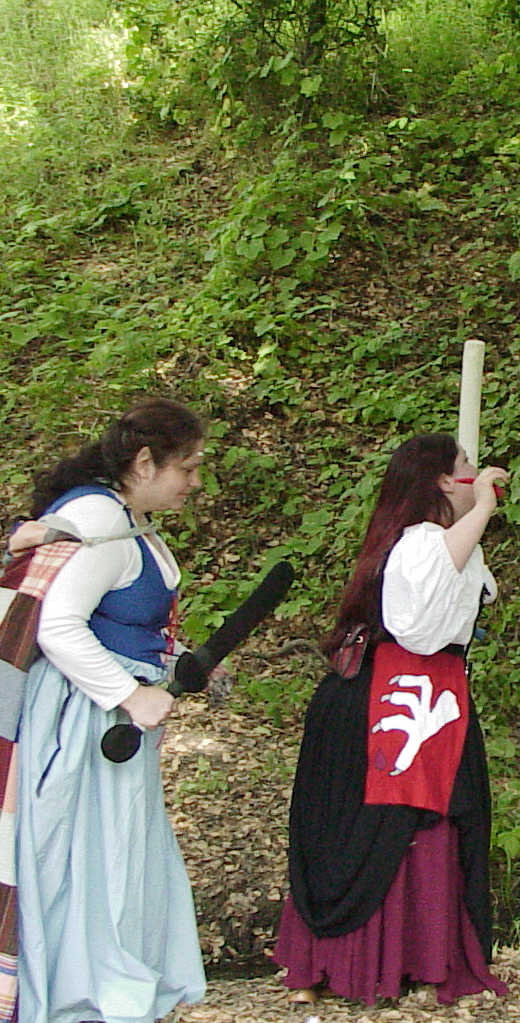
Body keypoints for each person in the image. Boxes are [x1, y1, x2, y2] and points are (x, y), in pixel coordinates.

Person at [274, 434, 510, 1008]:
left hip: (425, 697)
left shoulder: (443, 543)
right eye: (466, 466)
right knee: (384, 828)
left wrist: (476, 518)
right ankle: (355, 963)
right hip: (391, 700)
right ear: (442, 482)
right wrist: (481, 506)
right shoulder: (420, 543)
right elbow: (420, 630)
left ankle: (413, 957)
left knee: (419, 825)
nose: (477, 472)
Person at [14, 398, 210, 1023]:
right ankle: (79, 1000)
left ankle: (106, 993)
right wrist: (128, 694)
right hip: (82, 721)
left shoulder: (124, 519)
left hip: (109, 719)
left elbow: (125, 620)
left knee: (115, 851)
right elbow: (59, 627)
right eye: (187, 468)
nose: (195, 482)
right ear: (145, 462)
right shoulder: (100, 519)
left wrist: (175, 659)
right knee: (87, 856)